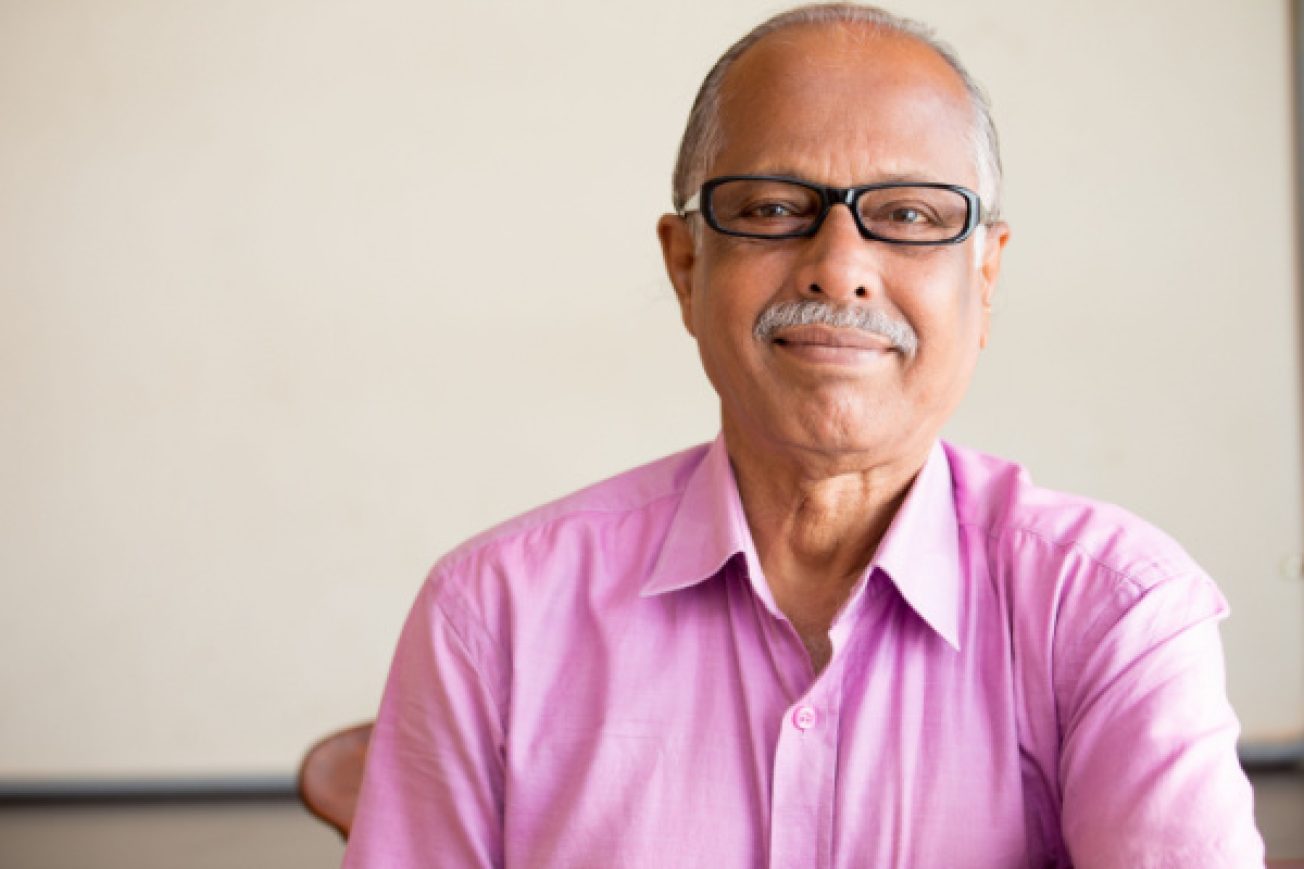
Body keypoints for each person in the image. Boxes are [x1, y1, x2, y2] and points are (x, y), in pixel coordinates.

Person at [342, 4, 1264, 866]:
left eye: (908, 214)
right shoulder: (493, 614)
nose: (839, 269)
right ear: (685, 265)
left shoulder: (1112, 611)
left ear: (985, 277)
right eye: (774, 208)